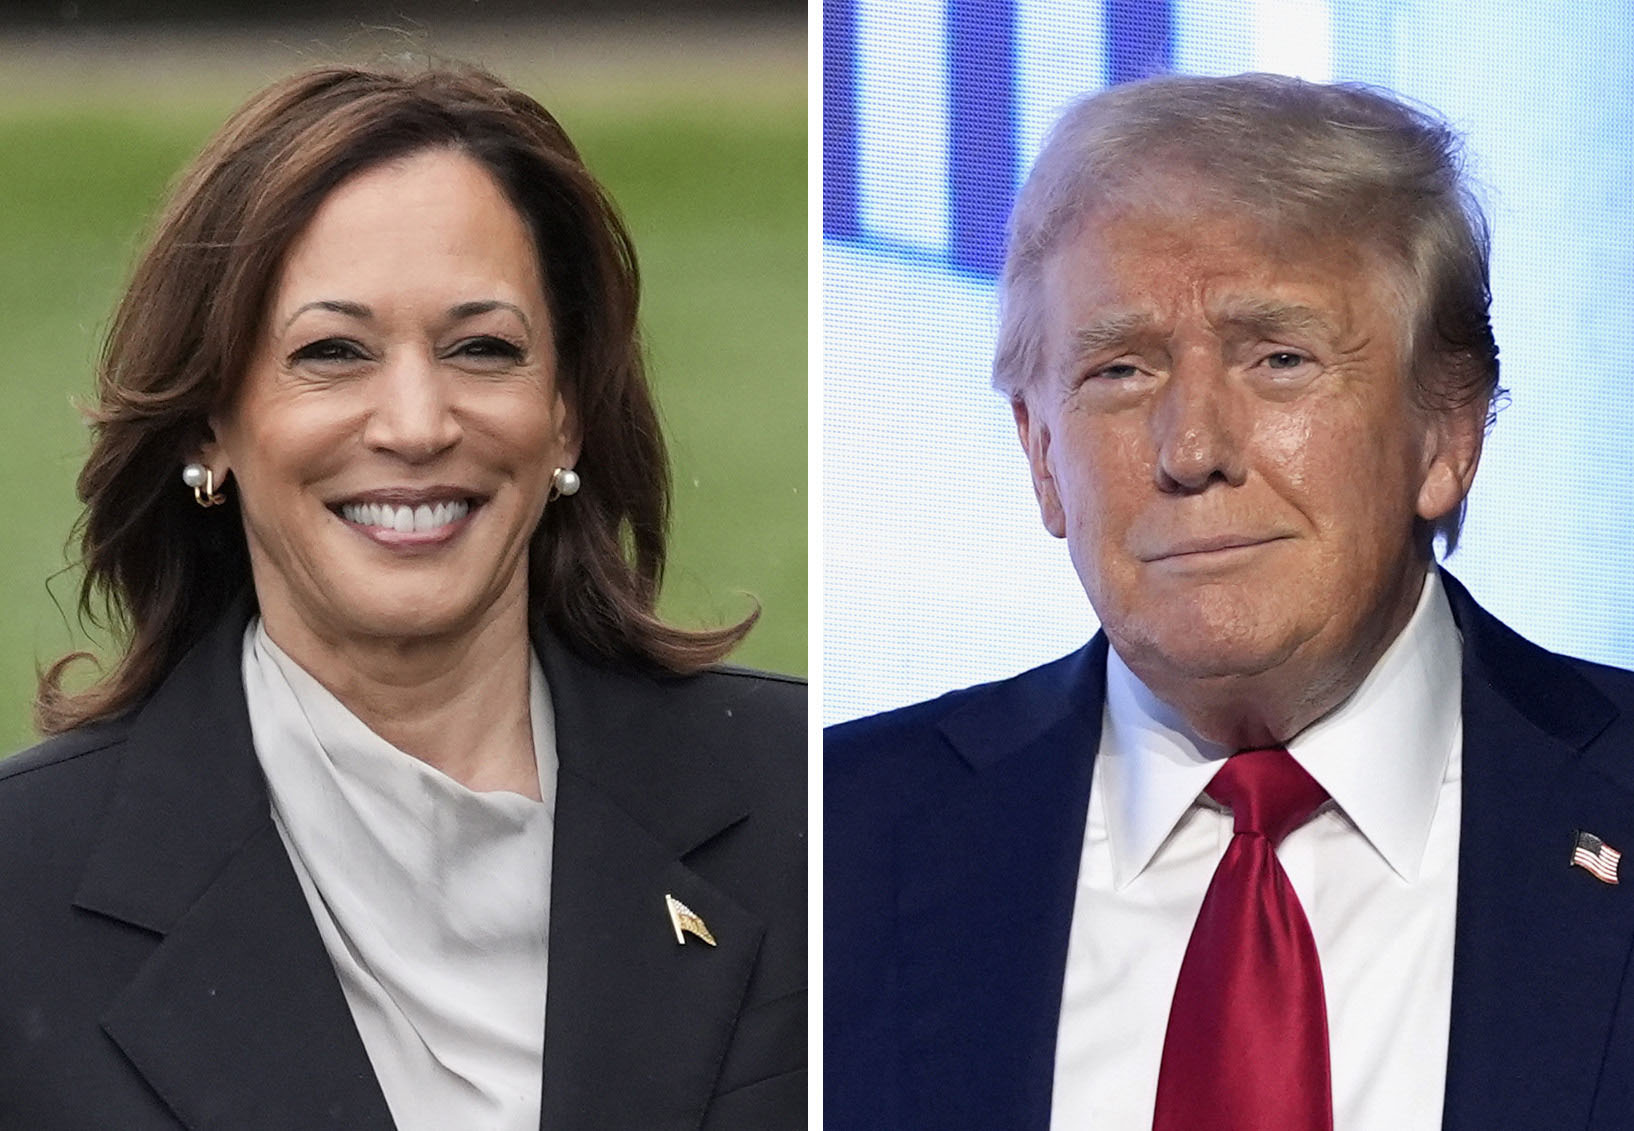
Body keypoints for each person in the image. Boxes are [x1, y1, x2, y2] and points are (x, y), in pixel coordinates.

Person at [0, 65, 804, 1130]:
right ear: (208, 423)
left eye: (482, 349)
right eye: (331, 353)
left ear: (565, 414)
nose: (417, 424)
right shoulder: (22, 884)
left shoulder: (809, 799)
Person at [826, 73, 1634, 1130]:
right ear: (1037, 456)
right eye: (1119, 371)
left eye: (1278, 360)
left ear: (1446, 431)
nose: (1190, 449)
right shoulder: (839, 840)